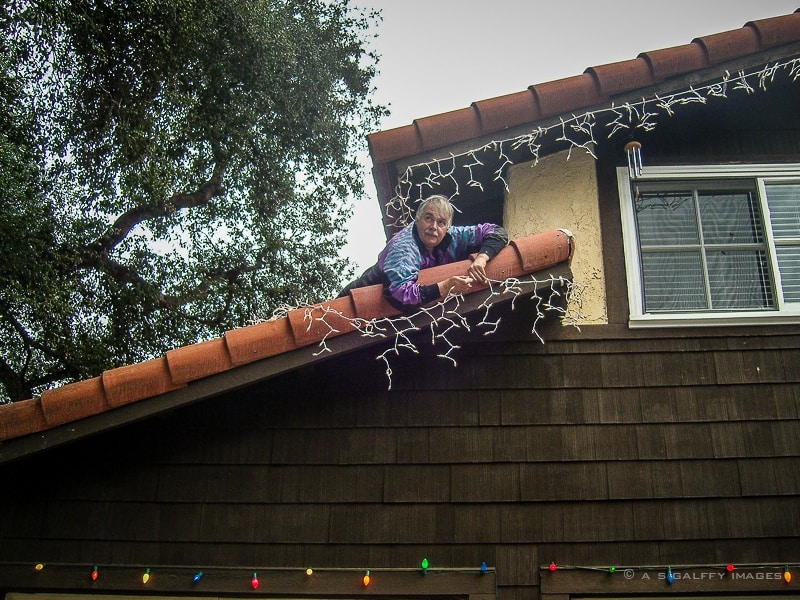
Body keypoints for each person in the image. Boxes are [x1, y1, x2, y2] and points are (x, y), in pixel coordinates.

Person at [338, 194, 508, 309]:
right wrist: (444, 287)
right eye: (428, 218)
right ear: (417, 219)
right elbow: (399, 294)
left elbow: (495, 231)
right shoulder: (404, 248)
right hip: (356, 299)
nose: (434, 227)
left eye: (441, 222)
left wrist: (482, 258)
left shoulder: (453, 235)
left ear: (447, 227)